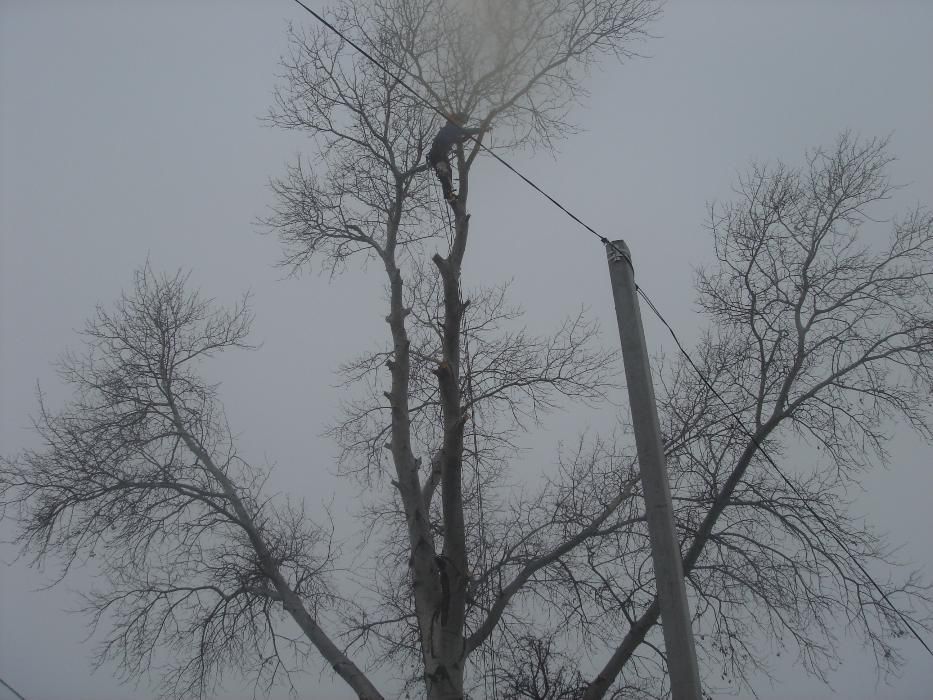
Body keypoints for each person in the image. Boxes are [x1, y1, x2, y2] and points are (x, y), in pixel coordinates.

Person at [427, 112, 482, 203]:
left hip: (441, 155)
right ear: (456, 121)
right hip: (437, 154)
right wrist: (481, 129)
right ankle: (449, 194)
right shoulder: (450, 128)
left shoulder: (451, 130)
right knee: (445, 172)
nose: (462, 125)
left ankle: (449, 194)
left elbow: (460, 140)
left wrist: (468, 136)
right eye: (461, 122)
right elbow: (466, 131)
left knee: (449, 172)